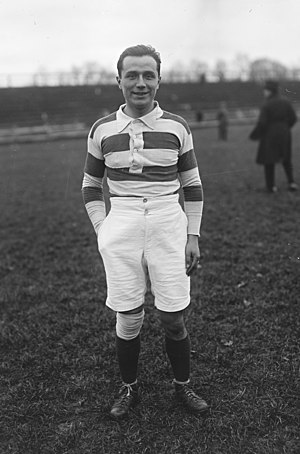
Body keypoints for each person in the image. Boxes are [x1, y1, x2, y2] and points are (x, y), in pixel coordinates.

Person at [82, 44, 208, 419]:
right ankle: (129, 387)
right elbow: (91, 186)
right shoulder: (102, 129)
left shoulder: (177, 126)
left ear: (159, 80)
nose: (141, 83)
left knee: (173, 315)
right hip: (121, 222)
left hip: (169, 222)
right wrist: (104, 230)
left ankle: (183, 386)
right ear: (118, 80)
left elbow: (193, 185)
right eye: (132, 75)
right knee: (128, 313)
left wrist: (193, 236)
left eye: (148, 75)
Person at [249, 80, 298, 193]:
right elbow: (294, 118)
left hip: (270, 134)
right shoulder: (286, 102)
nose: (264, 92)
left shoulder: (267, 104)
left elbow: (262, 123)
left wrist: (254, 135)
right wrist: (285, 128)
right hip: (285, 133)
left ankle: (271, 186)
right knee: (286, 158)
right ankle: (291, 182)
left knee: (269, 159)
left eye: (265, 90)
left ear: (270, 91)